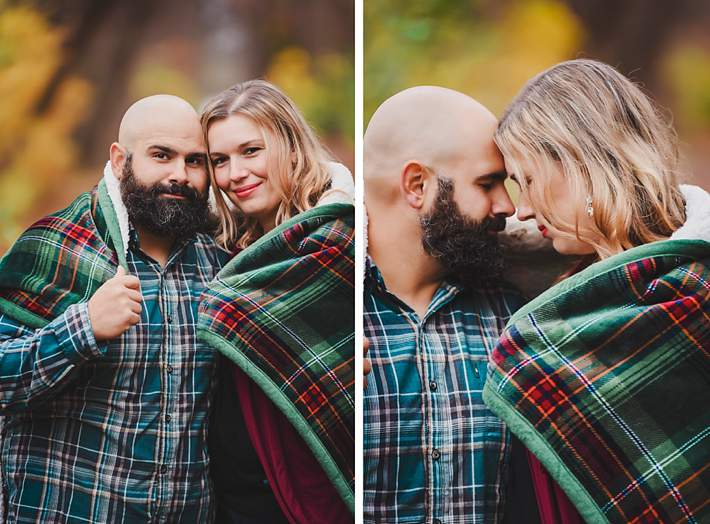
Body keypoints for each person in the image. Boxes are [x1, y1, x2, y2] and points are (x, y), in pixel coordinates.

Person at [484, 59, 710, 524]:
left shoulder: (697, 288)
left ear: (581, 162)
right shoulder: (551, 303)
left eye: (528, 180)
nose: (522, 210)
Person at [0, 95, 229, 521]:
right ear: (120, 159)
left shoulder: (220, 265)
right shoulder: (57, 245)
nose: (179, 175)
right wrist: (81, 329)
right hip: (70, 510)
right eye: (161, 155)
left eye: (195, 161)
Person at [363, 86, 537, 524]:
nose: (508, 206)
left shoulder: (515, 314)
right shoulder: (331, 311)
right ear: (417, 185)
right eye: (486, 183)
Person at [197, 80, 355, 524]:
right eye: (220, 161)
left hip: (311, 484)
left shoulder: (339, 240)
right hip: (230, 493)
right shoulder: (218, 249)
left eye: (251, 150)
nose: (235, 174)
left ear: (289, 144)